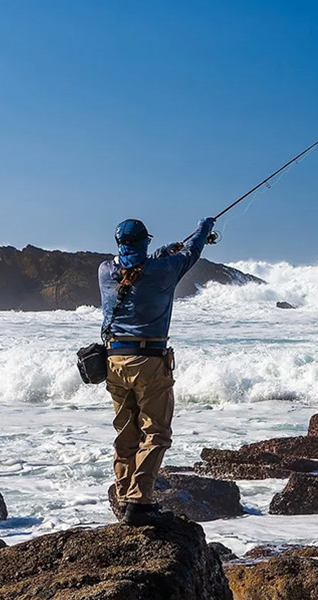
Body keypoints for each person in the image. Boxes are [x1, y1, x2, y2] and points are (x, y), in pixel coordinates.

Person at [99, 216, 215, 525]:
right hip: (150, 362)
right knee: (156, 433)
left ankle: (125, 498)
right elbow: (192, 253)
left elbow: (138, 267)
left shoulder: (105, 271)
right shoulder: (163, 271)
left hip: (115, 362)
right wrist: (204, 228)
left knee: (126, 435)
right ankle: (140, 500)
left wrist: (164, 251)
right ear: (145, 242)